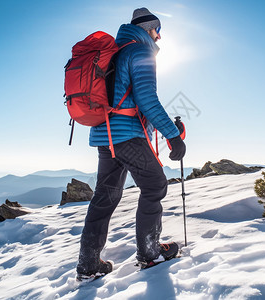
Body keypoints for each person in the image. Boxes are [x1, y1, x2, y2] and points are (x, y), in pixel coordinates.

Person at [76, 7, 186, 281]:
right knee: (155, 186)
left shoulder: (116, 51)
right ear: (148, 29)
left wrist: (167, 129)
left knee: (105, 197)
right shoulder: (140, 51)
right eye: (157, 30)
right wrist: (173, 135)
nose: (159, 37)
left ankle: (88, 265)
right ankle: (150, 254)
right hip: (127, 137)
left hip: (105, 136)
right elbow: (147, 99)